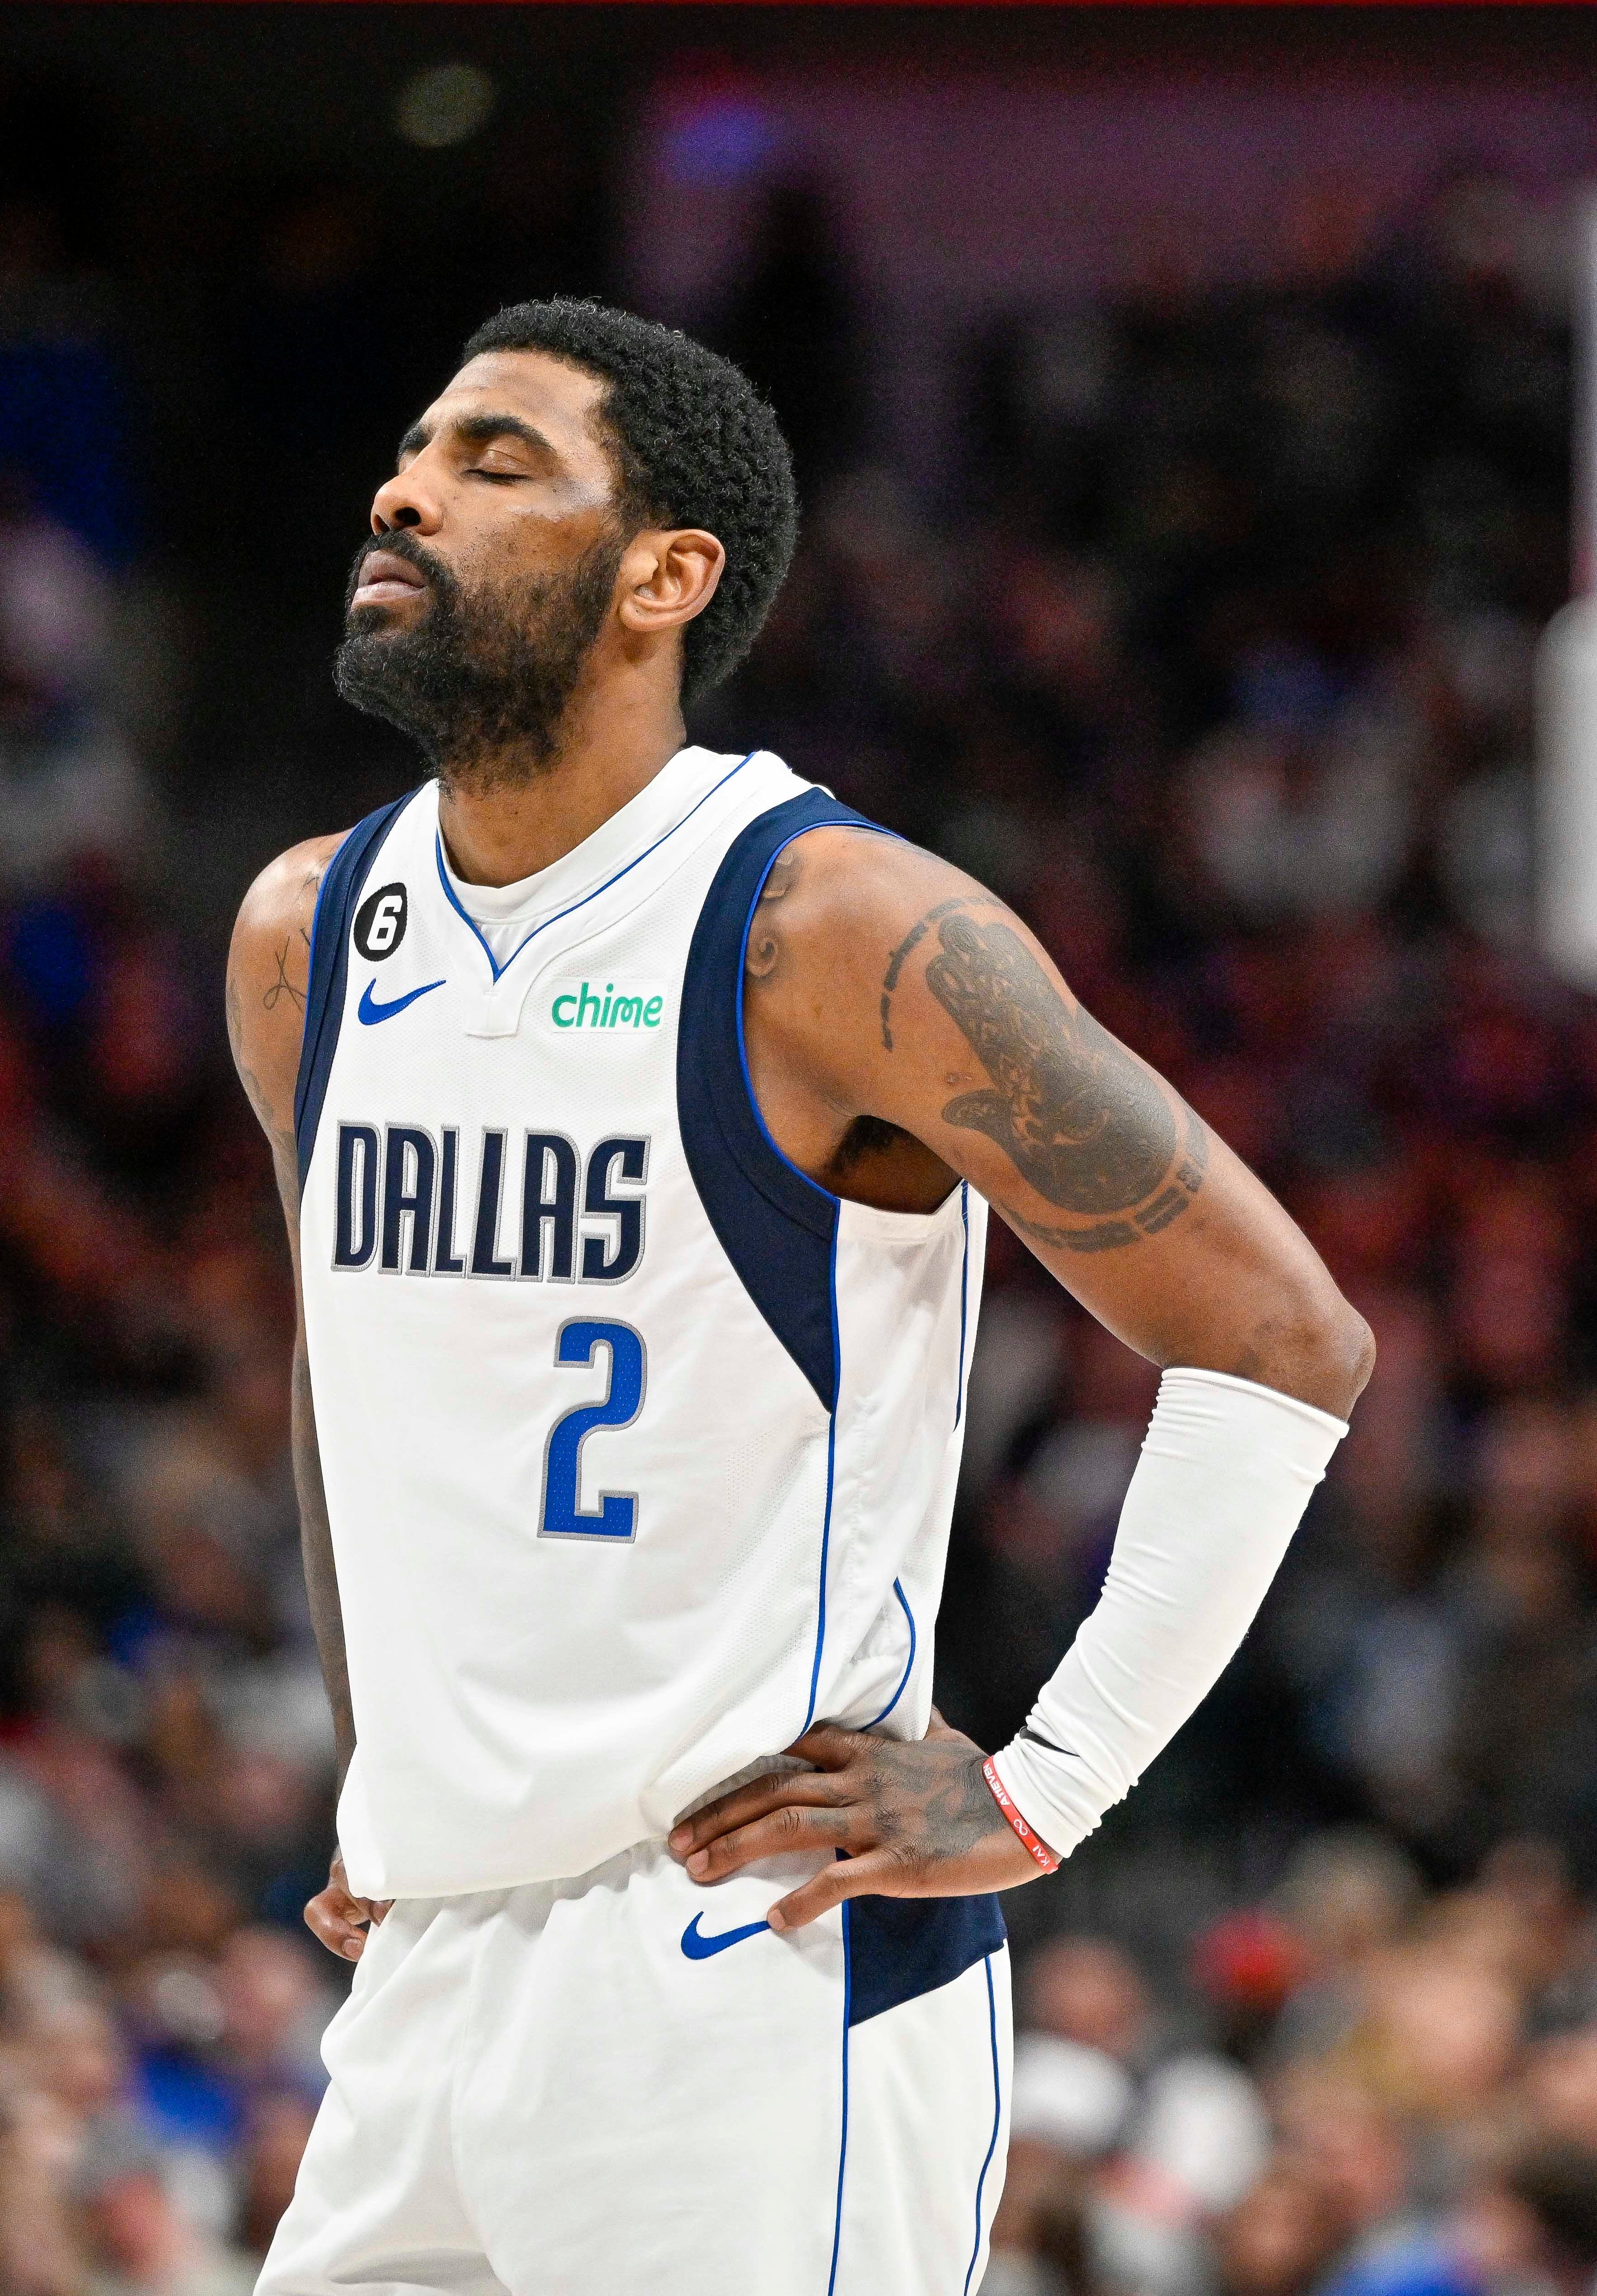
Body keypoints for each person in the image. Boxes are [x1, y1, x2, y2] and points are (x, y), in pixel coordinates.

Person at [220, 298, 1371, 2295]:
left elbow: (1281, 1338)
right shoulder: (306, 933)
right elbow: (363, 1375)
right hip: (425, 1961)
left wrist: (1044, 1790)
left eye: (498, 464)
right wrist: (378, 1752)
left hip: (743, 1956)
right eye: (414, 454)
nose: (406, 492)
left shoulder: (828, 927)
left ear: (667, 576)